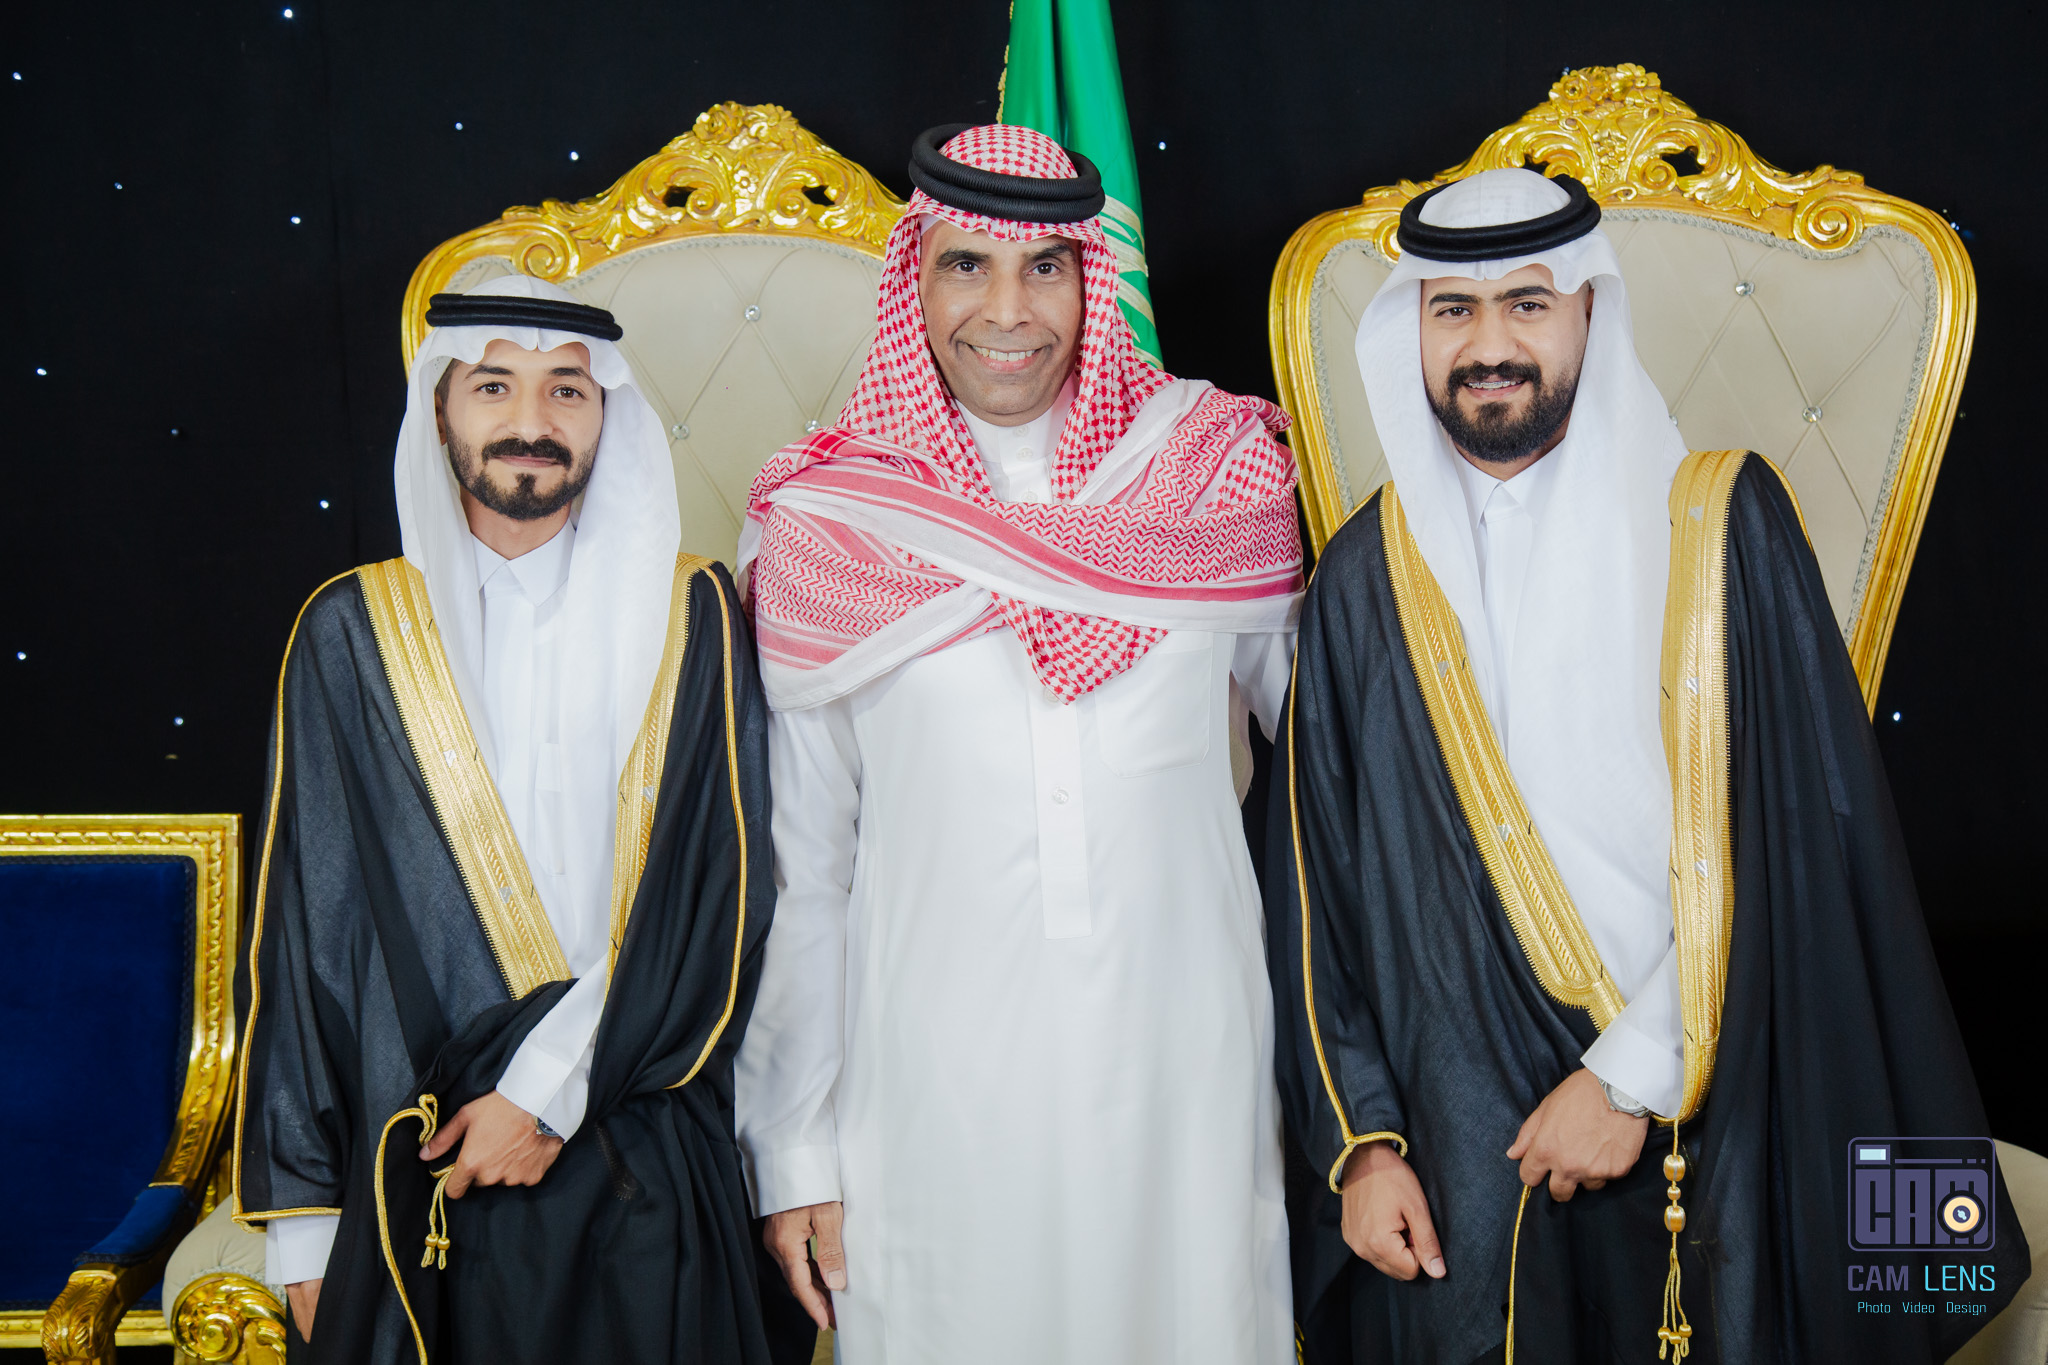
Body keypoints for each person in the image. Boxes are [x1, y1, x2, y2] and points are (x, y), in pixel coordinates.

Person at [1268, 166, 2027, 1364]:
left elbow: (1799, 843)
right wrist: (1360, 1147)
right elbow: (1313, 891)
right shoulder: (1362, 578)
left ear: (1588, 313)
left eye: (1526, 303)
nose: (1488, 346)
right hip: (1452, 1142)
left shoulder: (1721, 526)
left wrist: (1628, 1077)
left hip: (1708, 1109)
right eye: (1451, 310)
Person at [735, 123, 1304, 1363]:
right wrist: (793, 1147)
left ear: (1092, 282)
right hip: (931, 1087)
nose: (1006, 312)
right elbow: (804, 871)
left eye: (1044, 268)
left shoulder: (1216, 479)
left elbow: (1342, 787)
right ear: (914, 282)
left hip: (1184, 1069)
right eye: (965, 266)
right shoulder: (831, 527)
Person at [233, 277, 775, 1364]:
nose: (532, 420)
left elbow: (718, 898)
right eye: (493, 386)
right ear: (440, 409)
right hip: (424, 1163)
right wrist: (305, 1230)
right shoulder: (351, 632)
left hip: (640, 1141)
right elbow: (306, 935)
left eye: (566, 389)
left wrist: (544, 1092)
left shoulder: (695, 612)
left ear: (605, 415)